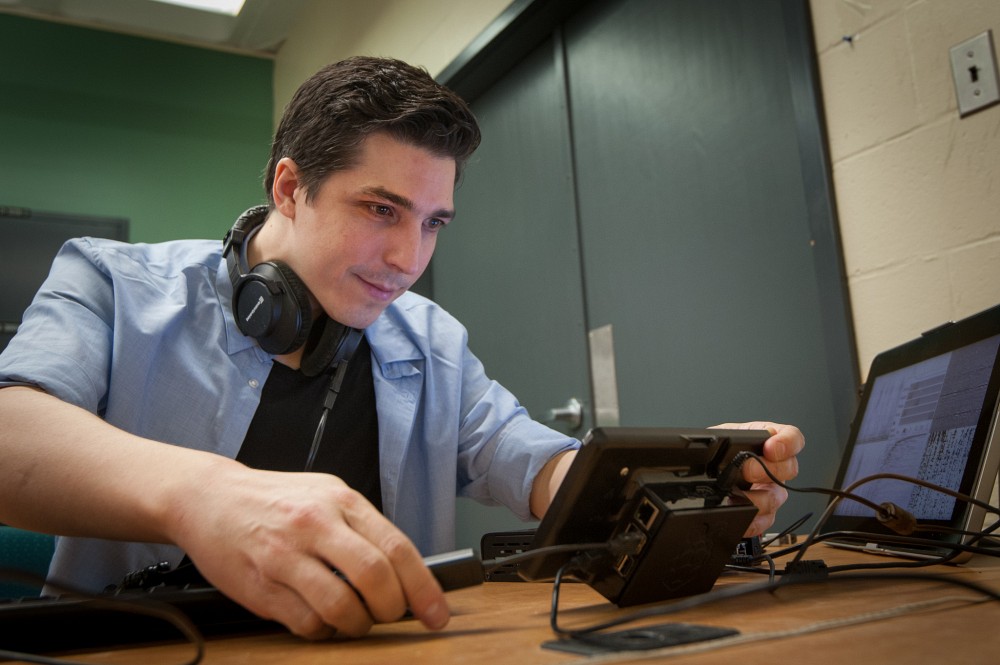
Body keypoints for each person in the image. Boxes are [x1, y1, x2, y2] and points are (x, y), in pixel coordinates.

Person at [0, 56, 803, 640]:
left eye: (432, 222)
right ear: (289, 187)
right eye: (381, 209)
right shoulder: (114, 281)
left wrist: (684, 488)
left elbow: (530, 460)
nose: (408, 258)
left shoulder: (431, 341)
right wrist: (205, 495)